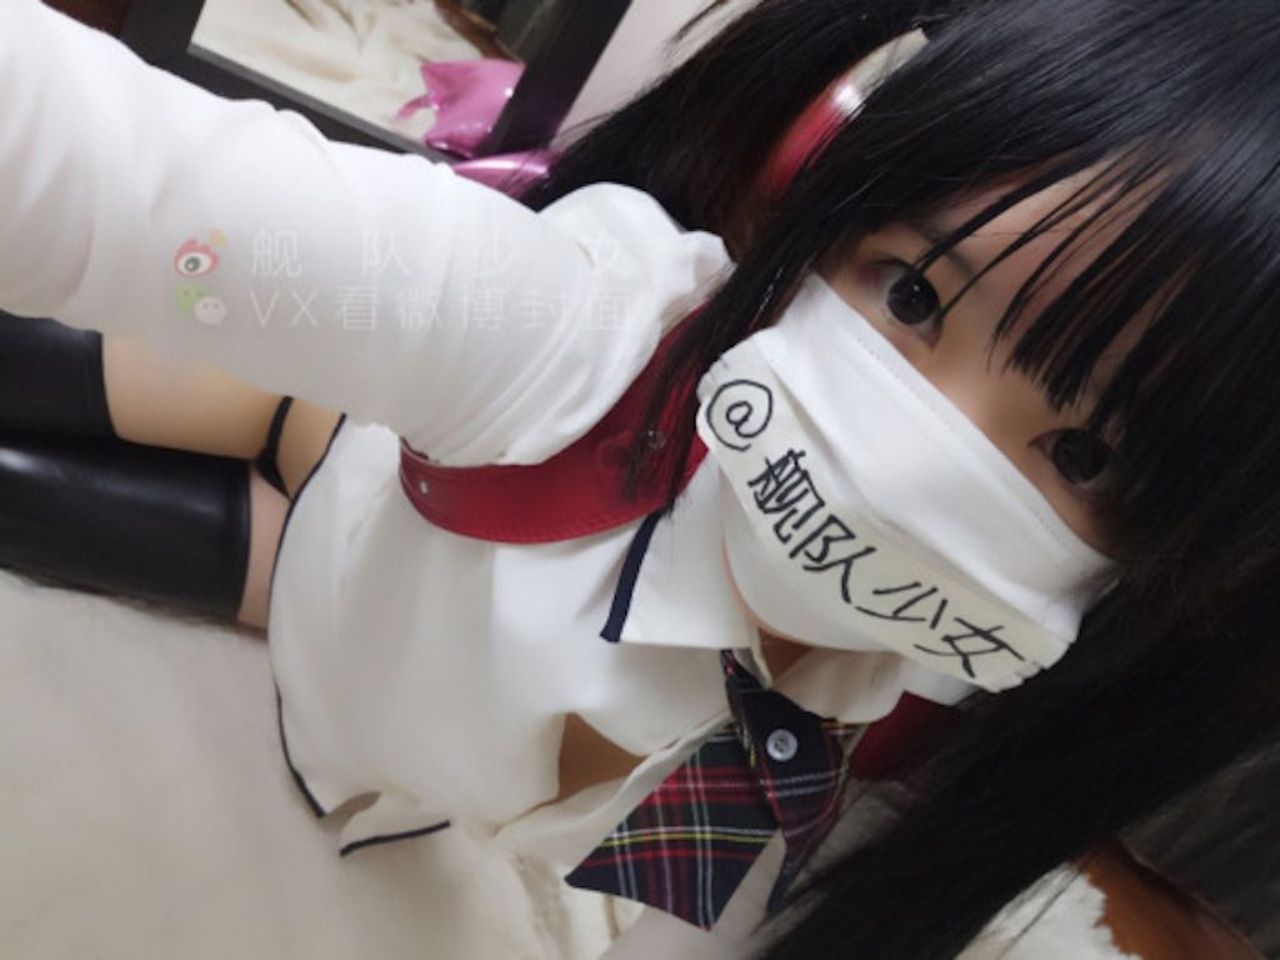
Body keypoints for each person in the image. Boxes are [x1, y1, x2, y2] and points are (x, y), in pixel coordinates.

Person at [0, 0, 1278, 958]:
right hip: (326, 432)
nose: (923, 454)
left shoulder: (906, 726)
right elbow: (126, 182)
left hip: (320, 627)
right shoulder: (577, 332)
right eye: (912, 295)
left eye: (1083, 453)